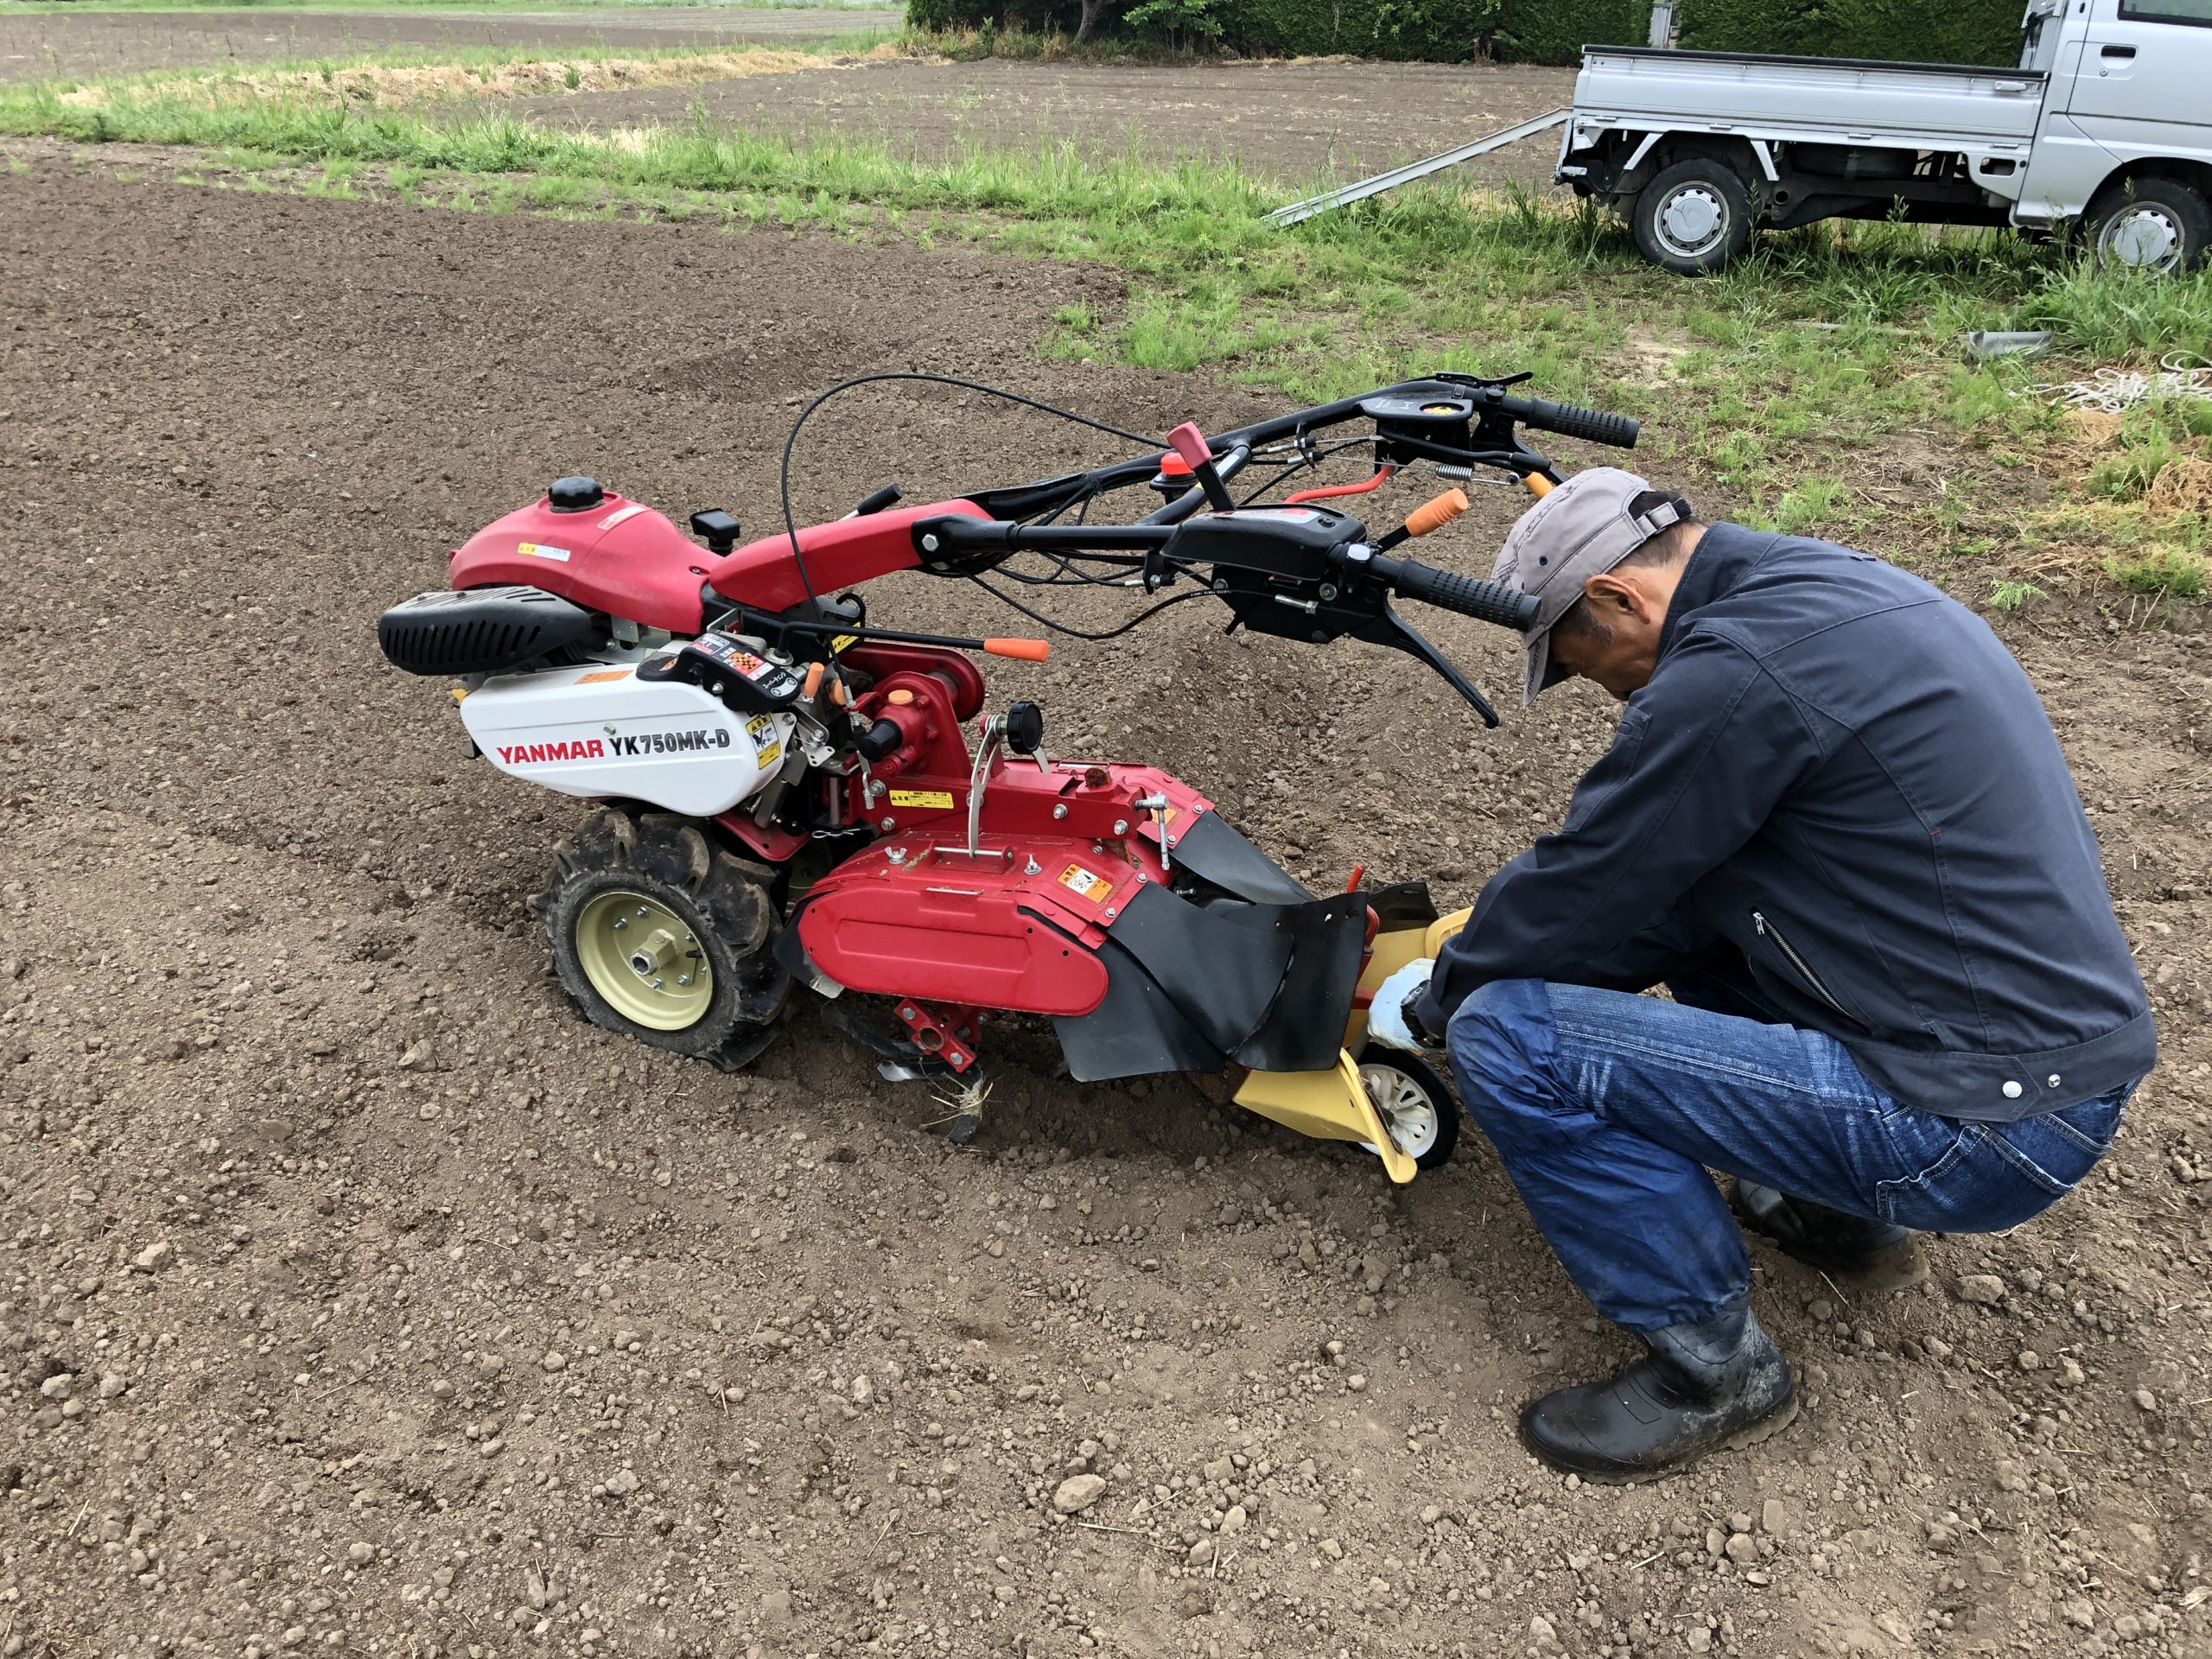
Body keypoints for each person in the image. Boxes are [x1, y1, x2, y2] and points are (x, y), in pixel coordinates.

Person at [1367, 467, 2153, 1482]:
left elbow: (1591, 877)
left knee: (1508, 1038)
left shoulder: (1733, 674)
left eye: (1591, 666)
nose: (1612, 694)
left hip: (1977, 1129)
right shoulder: (1839, 590)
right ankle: (1839, 1216)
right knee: (1711, 926)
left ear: (1615, 598)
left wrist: (1445, 993)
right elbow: (1669, 903)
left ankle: (1713, 1369)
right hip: (2045, 1065)